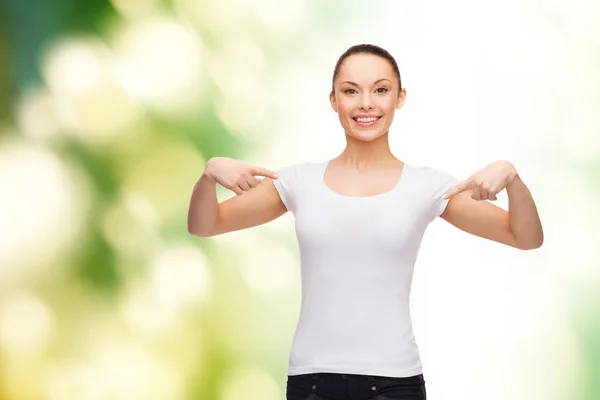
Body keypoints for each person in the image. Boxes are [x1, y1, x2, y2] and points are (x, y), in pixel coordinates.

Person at [187, 44, 544, 400]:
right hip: (312, 381)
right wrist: (209, 175)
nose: (366, 103)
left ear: (400, 98)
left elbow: (525, 236)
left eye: (381, 89)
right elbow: (205, 225)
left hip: (393, 382)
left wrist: (512, 178)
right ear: (333, 100)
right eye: (351, 91)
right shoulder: (298, 182)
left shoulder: (427, 186)